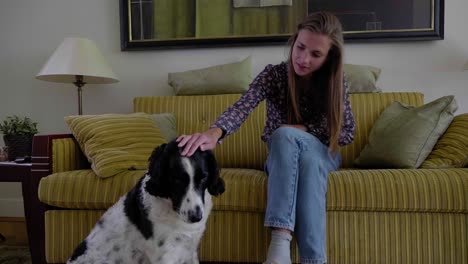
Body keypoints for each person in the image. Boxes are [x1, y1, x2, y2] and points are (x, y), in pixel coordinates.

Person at [177, 11, 355, 264]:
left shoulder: (336, 82)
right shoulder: (274, 75)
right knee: (297, 153)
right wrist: (214, 133)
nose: (303, 59)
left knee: (293, 142)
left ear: (329, 57)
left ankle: (279, 249)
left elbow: (346, 133)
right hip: (284, 156)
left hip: (323, 153)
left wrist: (300, 130)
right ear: (294, 41)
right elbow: (243, 105)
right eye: (300, 47)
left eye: (316, 54)